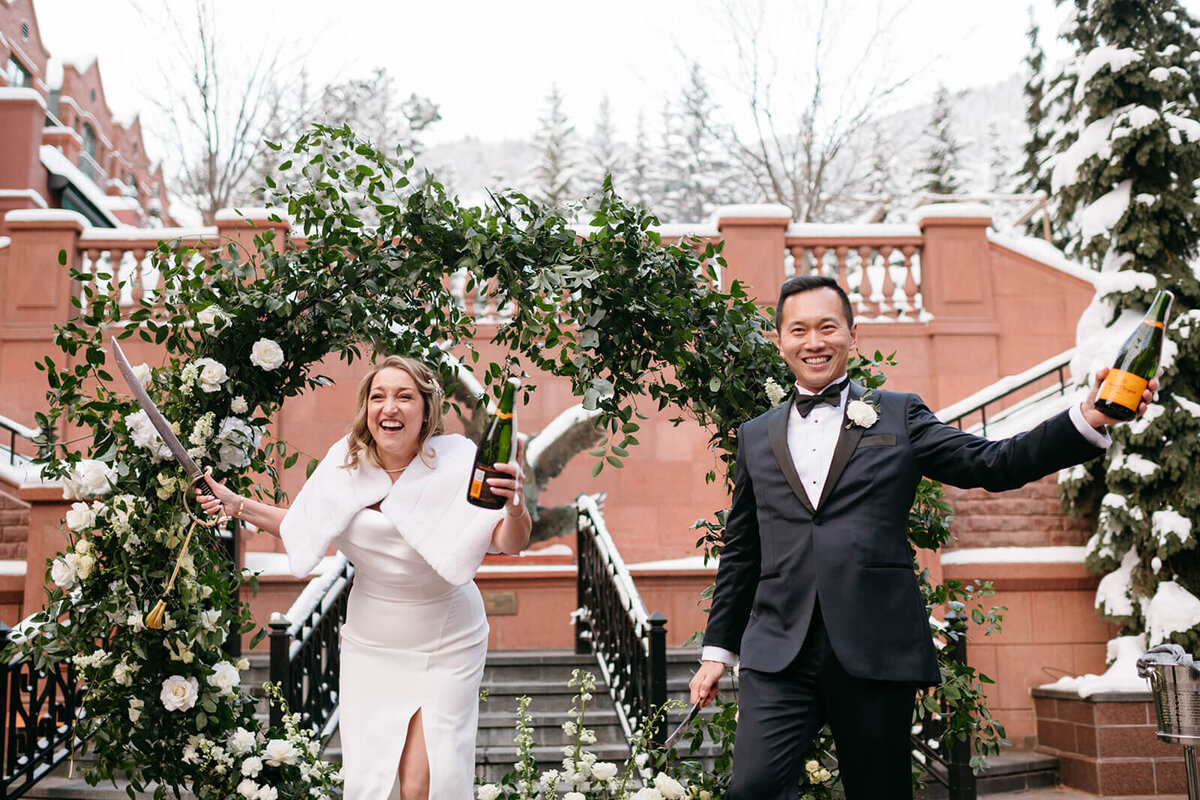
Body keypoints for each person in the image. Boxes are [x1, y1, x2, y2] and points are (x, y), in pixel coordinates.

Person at [687, 275, 1156, 800]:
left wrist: (1087, 417)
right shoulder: (755, 434)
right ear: (780, 340)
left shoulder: (899, 414)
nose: (813, 342)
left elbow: (992, 462)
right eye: (798, 330)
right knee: (751, 789)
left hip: (873, 646)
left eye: (827, 327)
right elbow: (742, 549)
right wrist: (718, 650)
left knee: (880, 792)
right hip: (778, 651)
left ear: (852, 333)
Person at [197, 356, 531, 800]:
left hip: (448, 637)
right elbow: (302, 523)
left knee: (425, 782)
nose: (389, 407)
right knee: (372, 780)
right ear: (367, 409)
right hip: (371, 643)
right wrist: (236, 503)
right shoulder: (345, 463)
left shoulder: (458, 461)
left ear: (426, 410)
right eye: (378, 396)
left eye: (404, 396)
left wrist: (515, 505)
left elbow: (509, 541)